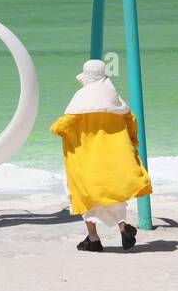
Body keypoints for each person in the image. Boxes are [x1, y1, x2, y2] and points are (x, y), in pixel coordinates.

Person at [49, 59, 152, 253]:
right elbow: (131, 119)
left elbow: (67, 122)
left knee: (86, 194)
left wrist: (56, 129)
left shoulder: (82, 98)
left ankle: (94, 239)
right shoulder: (114, 97)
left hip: (89, 156)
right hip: (114, 154)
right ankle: (123, 228)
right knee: (114, 193)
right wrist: (132, 140)